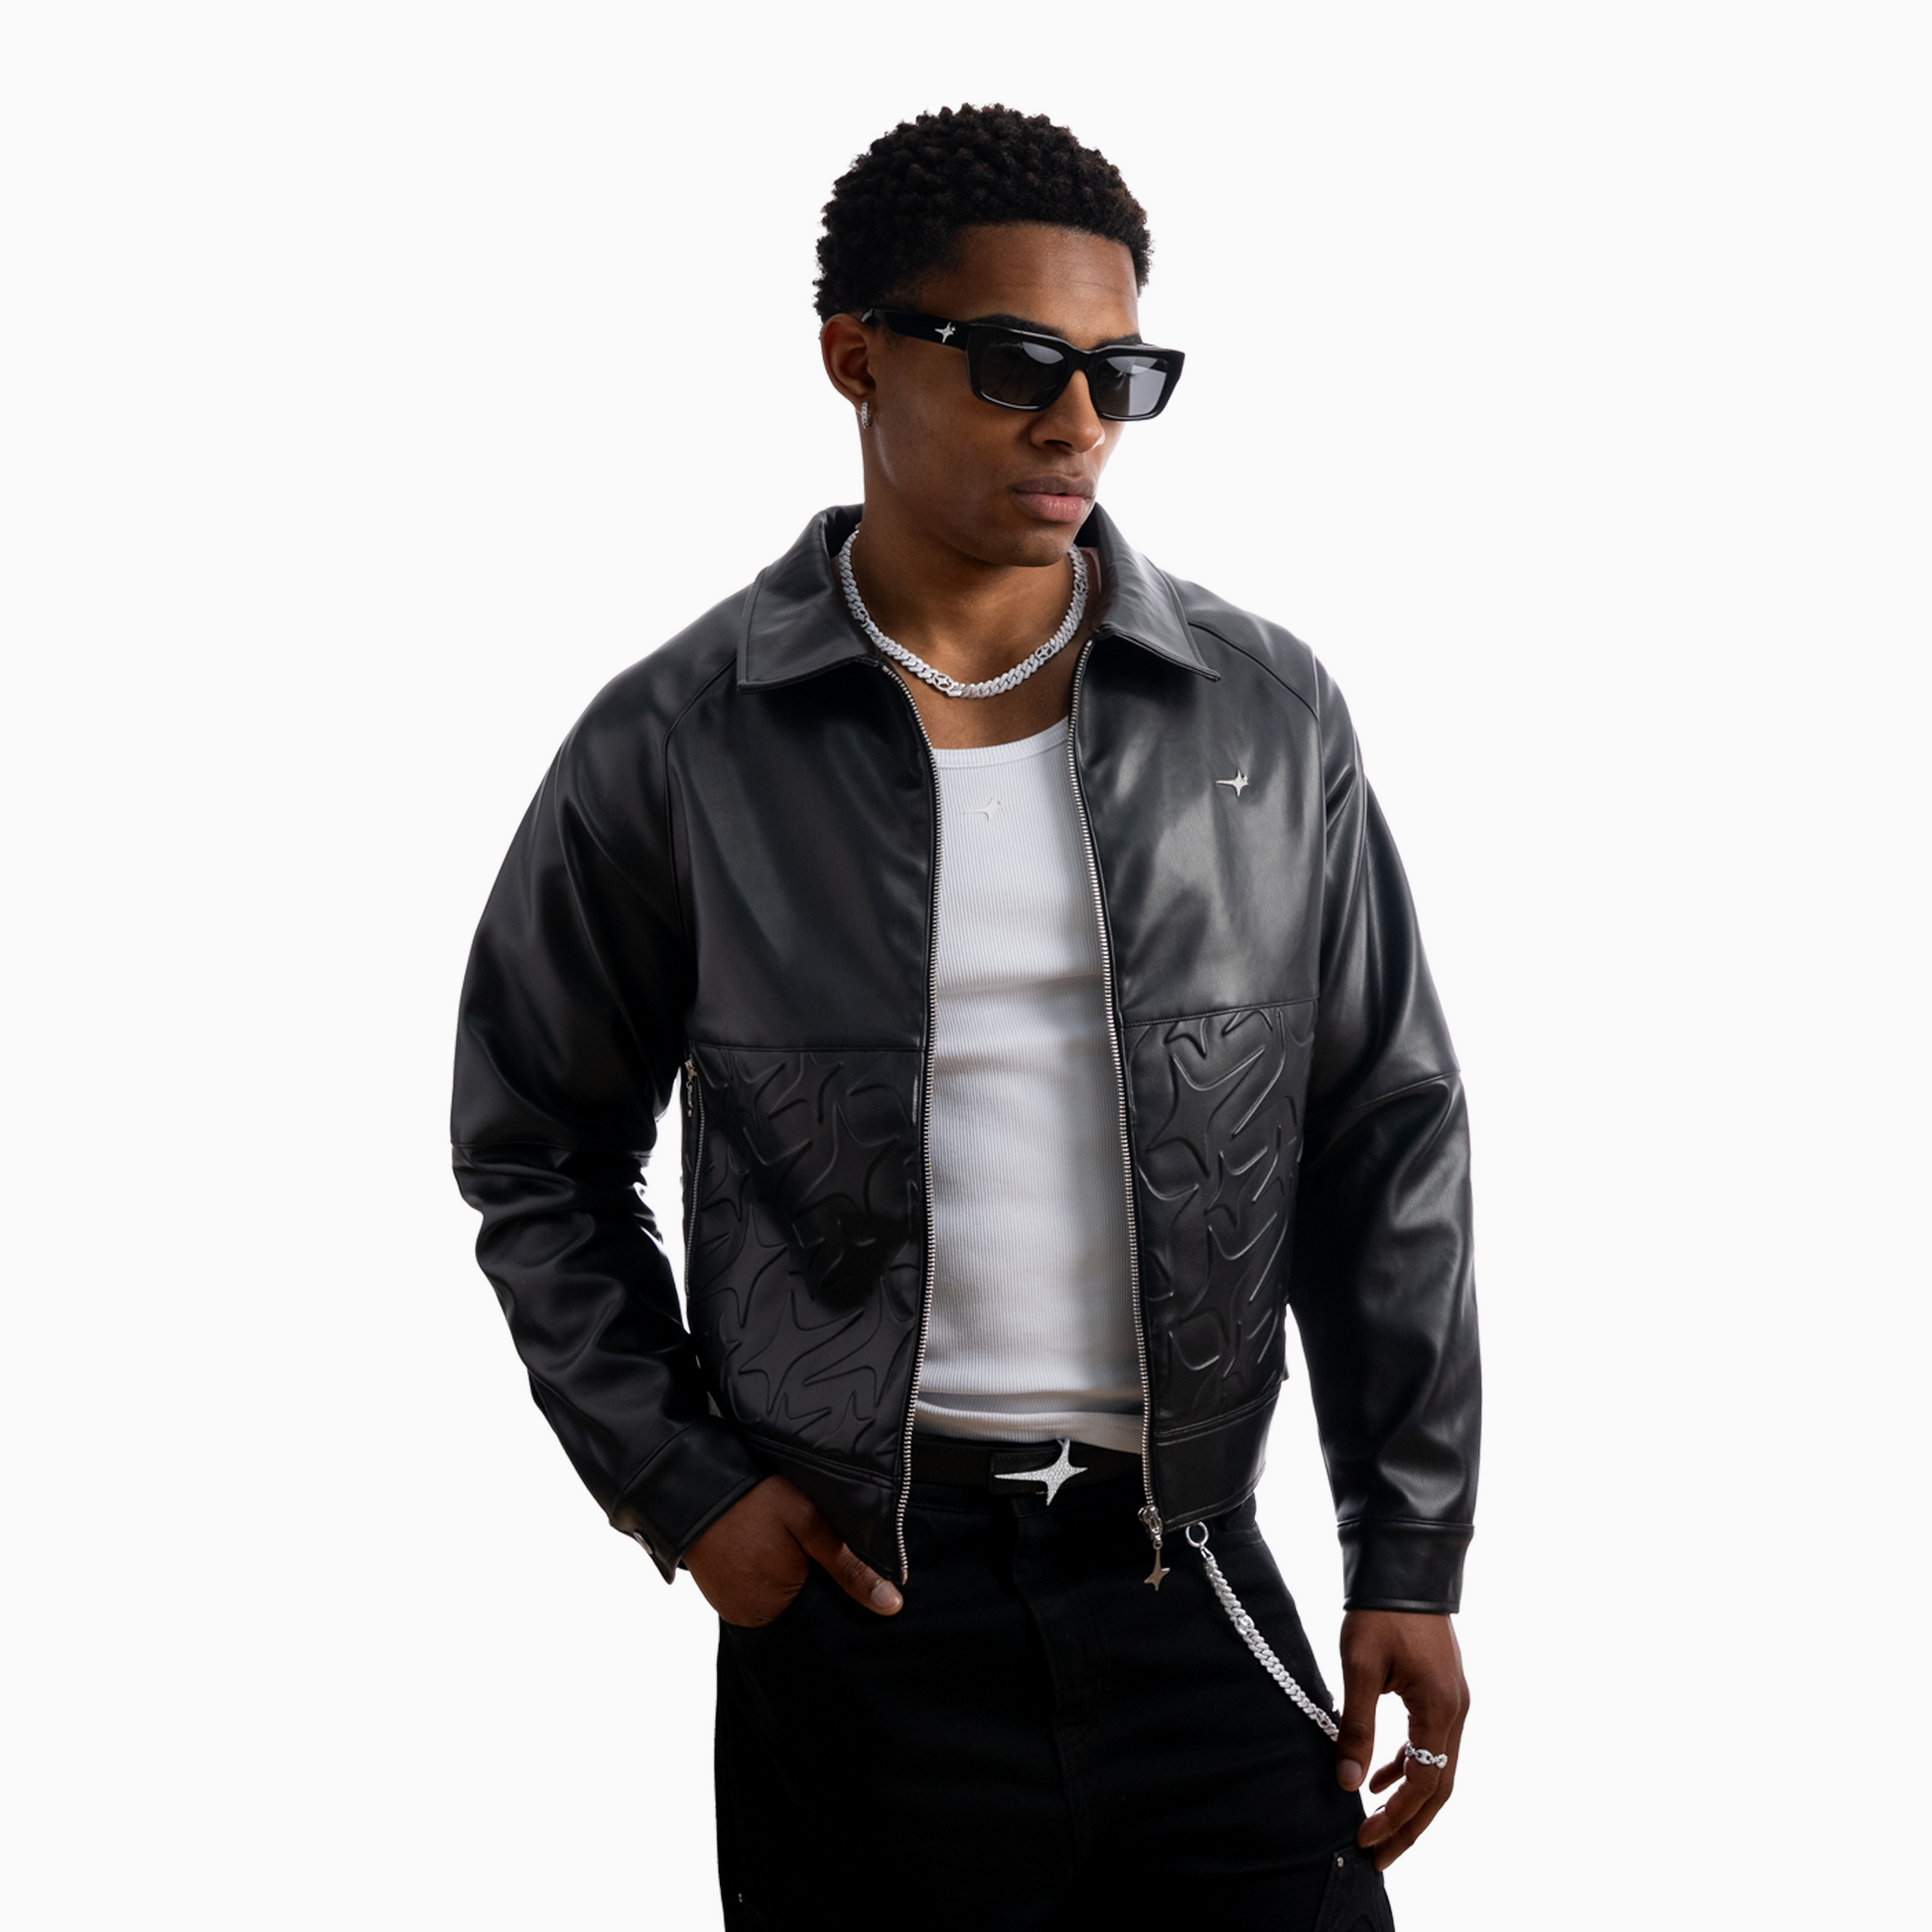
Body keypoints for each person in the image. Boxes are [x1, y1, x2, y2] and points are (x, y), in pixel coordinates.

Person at [452, 103, 1478, 1932]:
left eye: (1120, 372)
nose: (1077, 420)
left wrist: (1406, 1548)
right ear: (854, 357)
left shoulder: (1260, 713)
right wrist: (683, 1485)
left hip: (1191, 1574)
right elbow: (534, 1142)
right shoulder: (680, 737)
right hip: (860, 1605)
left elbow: (1381, 1127)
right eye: (1016, 361)